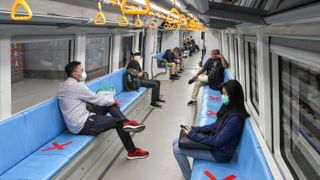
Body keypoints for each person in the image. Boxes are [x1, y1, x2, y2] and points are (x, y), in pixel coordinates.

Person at [57, 61, 149, 160]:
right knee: (118, 122)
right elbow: (96, 99)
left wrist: (110, 102)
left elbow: (90, 98)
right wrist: (113, 101)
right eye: (81, 70)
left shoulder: (62, 86)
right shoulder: (77, 86)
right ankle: (132, 151)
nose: (83, 72)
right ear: (75, 74)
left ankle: (127, 123)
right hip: (82, 125)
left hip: (78, 120)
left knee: (109, 105)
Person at [173, 80, 250, 180]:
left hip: (220, 153)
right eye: (222, 93)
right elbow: (215, 125)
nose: (223, 97)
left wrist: (193, 135)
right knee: (175, 141)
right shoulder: (228, 107)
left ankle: (188, 177)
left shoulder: (235, 119)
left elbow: (217, 141)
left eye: (225, 94)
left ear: (233, 96)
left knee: (177, 149)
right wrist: (195, 129)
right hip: (215, 145)